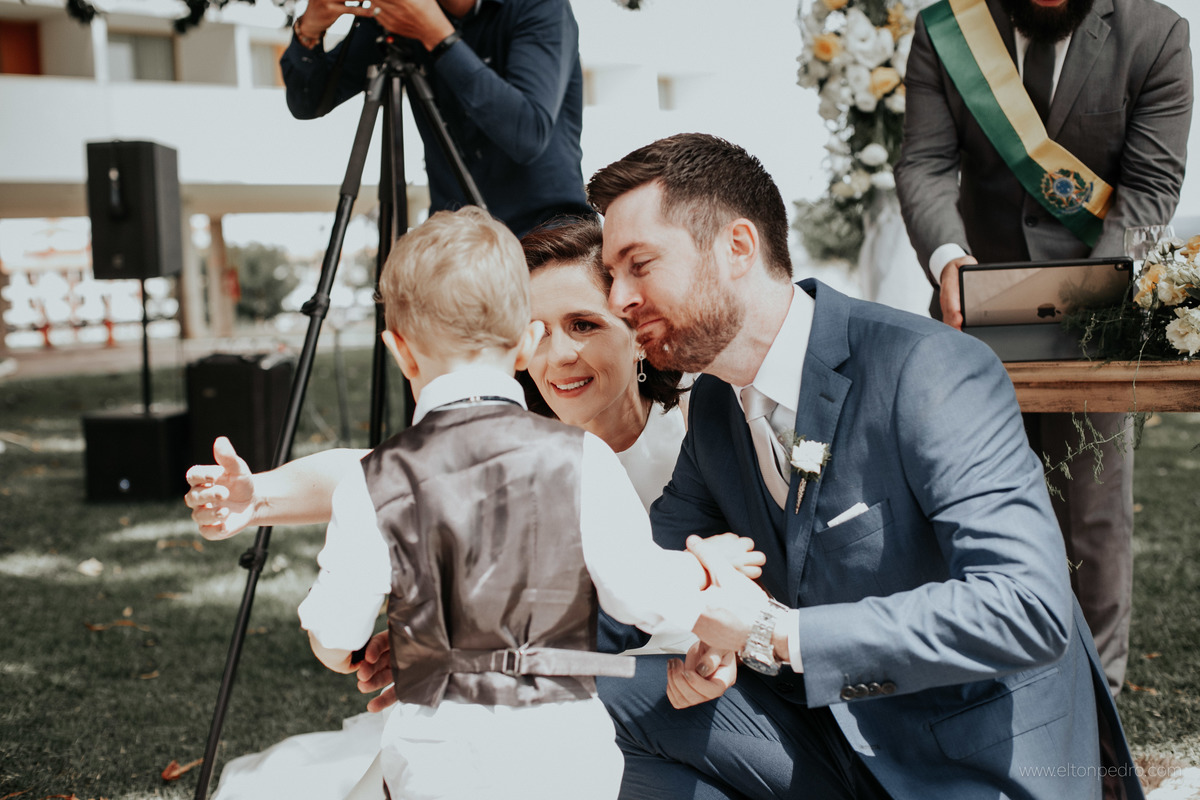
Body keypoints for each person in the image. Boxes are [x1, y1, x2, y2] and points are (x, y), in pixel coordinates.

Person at [583, 132, 1141, 799]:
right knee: (598, 698)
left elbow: (1026, 608)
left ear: (738, 247)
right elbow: (640, 573)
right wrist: (492, 636)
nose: (617, 299)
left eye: (639, 265)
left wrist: (771, 633)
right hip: (827, 740)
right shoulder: (713, 407)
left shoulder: (927, 369)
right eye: (612, 276)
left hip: (973, 761)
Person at [184, 218, 695, 799]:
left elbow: (367, 517)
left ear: (634, 326)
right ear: (522, 344)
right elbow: (361, 474)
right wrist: (257, 496)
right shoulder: (548, 445)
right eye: (542, 330)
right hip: (561, 737)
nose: (559, 353)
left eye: (583, 324)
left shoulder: (697, 427)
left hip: (659, 691)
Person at [294, 205, 764, 799]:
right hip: (564, 757)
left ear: (400, 351)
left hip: (440, 765)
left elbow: (337, 627)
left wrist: (340, 650)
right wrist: (701, 569)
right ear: (525, 344)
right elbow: (638, 590)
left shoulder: (375, 479)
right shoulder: (580, 456)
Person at [893, 0, 1192, 695]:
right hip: (969, 305)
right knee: (964, 501)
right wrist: (947, 259)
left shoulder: (1157, 35)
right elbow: (925, 165)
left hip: (1096, 309)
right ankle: (981, 686)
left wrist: (1095, 293)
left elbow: (1150, 189)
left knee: (1090, 508)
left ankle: (1094, 695)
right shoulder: (947, 30)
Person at [281, 0, 592, 237]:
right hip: (459, 239)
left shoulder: (539, 6)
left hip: (548, 233)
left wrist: (437, 35)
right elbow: (308, 101)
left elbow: (527, 134)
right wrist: (310, 29)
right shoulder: (398, 17)